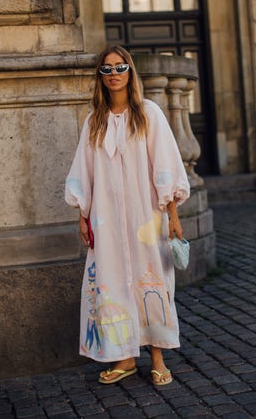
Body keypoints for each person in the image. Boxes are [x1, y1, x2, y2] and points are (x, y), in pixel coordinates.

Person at [65, 45, 190, 386]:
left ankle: (158, 355)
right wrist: (83, 216)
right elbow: (84, 173)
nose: (114, 74)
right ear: (100, 77)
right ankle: (124, 357)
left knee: (152, 281)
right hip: (105, 219)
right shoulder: (94, 121)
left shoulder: (148, 113)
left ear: (130, 72)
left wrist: (173, 216)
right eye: (107, 69)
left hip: (146, 218)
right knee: (112, 282)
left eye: (120, 67)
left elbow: (165, 167)